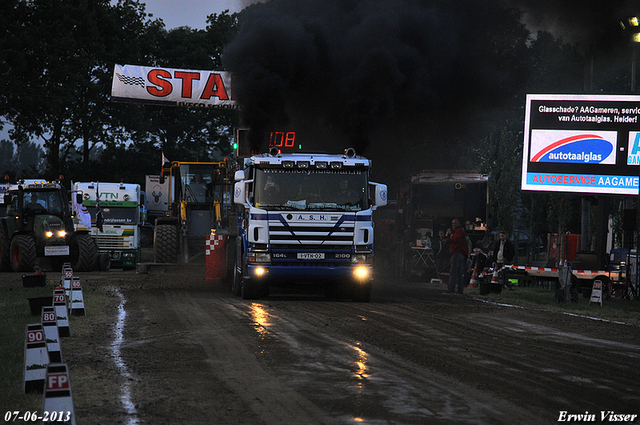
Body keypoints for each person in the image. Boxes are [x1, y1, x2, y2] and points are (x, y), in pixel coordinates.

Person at [446, 218, 468, 294]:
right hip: (460, 253)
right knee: (459, 272)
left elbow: (455, 239)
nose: (453, 225)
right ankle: (459, 289)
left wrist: (448, 239)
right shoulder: (459, 231)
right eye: (453, 223)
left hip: (457, 253)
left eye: (455, 223)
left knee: (453, 271)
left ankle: (451, 288)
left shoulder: (458, 231)